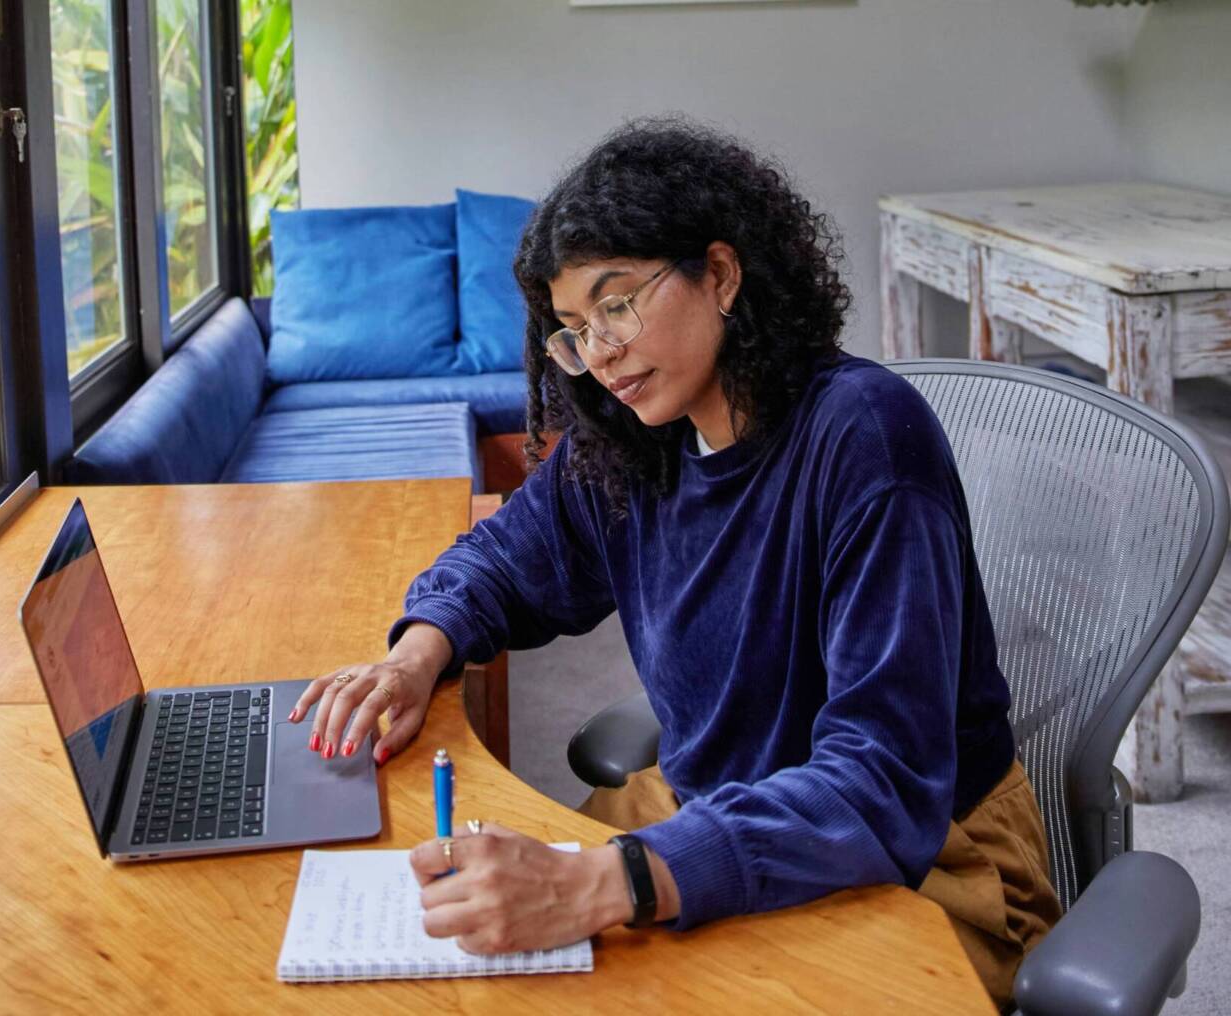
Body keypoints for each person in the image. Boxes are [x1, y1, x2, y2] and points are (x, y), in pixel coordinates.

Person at [287, 115, 1061, 1009]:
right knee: (485, 958)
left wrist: (611, 881)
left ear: (721, 274)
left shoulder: (866, 439)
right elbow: (504, 554)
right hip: (717, 809)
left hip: (923, 853)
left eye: (618, 304)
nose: (601, 354)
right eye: (574, 329)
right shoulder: (633, 442)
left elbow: (882, 782)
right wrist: (414, 655)